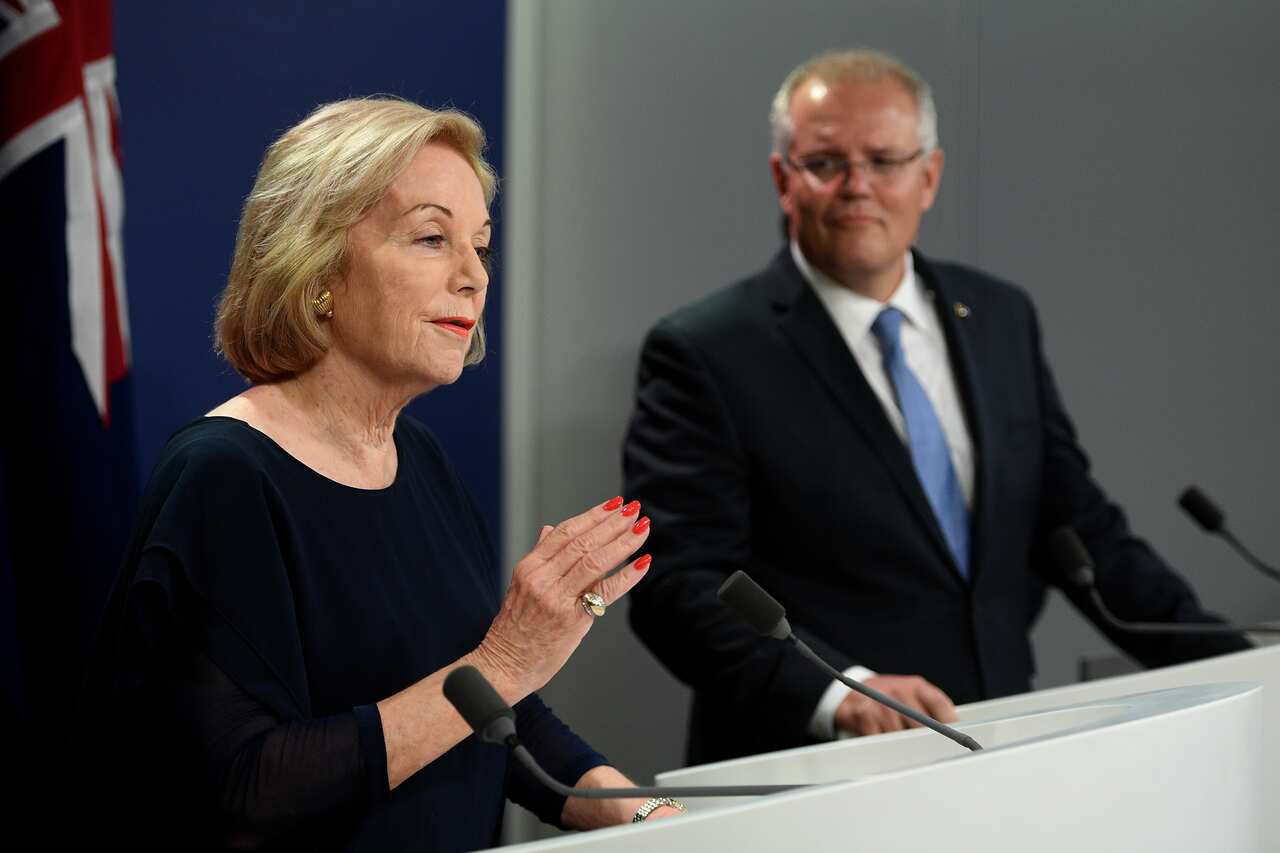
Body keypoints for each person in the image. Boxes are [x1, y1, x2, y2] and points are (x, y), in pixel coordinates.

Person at [81, 97, 682, 851]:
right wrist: (503, 662)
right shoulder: (224, 478)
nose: (473, 277)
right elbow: (241, 790)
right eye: (433, 238)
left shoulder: (419, 459)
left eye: (482, 246)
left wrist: (654, 818)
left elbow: (490, 713)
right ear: (316, 266)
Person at [623, 49, 1250, 765]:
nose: (858, 187)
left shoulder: (999, 317)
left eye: (885, 161)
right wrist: (844, 691)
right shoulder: (706, 351)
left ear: (930, 176)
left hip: (1000, 742)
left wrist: (1232, 664)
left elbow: (1079, 531)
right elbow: (680, 583)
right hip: (814, 768)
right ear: (782, 179)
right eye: (826, 162)